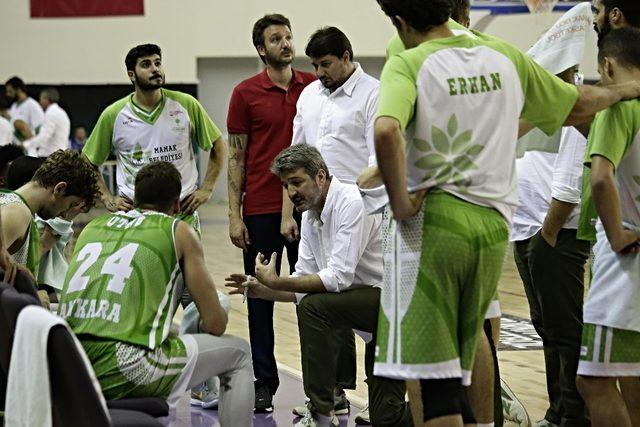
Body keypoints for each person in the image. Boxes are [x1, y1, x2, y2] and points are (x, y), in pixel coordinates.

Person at [371, 1, 640, 426]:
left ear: (399, 21)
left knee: (435, 381)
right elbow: (576, 103)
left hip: (435, 226)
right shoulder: (503, 54)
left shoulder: (407, 61)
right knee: (475, 337)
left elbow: (386, 129)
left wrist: (401, 201)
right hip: (493, 228)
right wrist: (623, 90)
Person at [226, 144, 412, 427]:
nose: (290, 193)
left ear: (321, 177)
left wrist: (277, 280)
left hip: (395, 307)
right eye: (286, 185)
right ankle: (465, 405)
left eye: (297, 182)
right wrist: (263, 289)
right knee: (389, 418)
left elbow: (338, 279)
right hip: (375, 323)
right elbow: (303, 280)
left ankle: (322, 412)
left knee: (314, 307)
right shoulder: (312, 216)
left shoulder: (351, 202)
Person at [58, 162, 254, 426]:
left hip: (70, 363)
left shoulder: (92, 227)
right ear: (177, 205)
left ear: (134, 198)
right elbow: (215, 324)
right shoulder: (179, 230)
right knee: (240, 353)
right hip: (127, 366)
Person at [226, 13, 316, 412]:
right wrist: (233, 214)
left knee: (311, 299)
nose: (285, 43)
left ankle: (323, 388)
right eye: (276, 38)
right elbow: (236, 157)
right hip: (261, 210)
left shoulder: (313, 87)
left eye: (288, 36)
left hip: (311, 211)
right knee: (260, 298)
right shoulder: (245, 93)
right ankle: (265, 383)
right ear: (262, 49)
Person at [290, 25, 379, 420]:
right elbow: (294, 155)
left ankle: (384, 401)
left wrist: (361, 199)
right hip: (317, 212)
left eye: (325, 63)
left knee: (348, 291)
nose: (319, 72)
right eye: (314, 65)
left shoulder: (373, 93)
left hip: (363, 211)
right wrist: (287, 213)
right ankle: (334, 395)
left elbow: (382, 158)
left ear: (346, 56)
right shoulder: (309, 95)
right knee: (320, 295)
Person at [510, 5, 593, 427]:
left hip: (554, 232)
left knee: (564, 330)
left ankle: (574, 414)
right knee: (546, 328)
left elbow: (569, 182)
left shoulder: (575, 105)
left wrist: (549, 232)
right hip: (526, 231)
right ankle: (559, 410)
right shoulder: (536, 107)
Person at [82, 43, 227, 235]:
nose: (155, 69)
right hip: (134, 215)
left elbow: (219, 145)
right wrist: (107, 198)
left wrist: (207, 189)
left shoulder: (186, 104)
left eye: (158, 63)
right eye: (146, 64)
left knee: (188, 266)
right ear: (131, 74)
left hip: (181, 213)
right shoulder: (113, 114)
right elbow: (87, 161)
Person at [575, 28, 640, 427]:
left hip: (626, 262)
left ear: (607, 66)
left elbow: (601, 178)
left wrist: (616, 234)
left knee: (592, 381)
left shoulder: (618, 106)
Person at [0, 149, 99, 307]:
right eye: (71, 204)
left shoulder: (11, 204)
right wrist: (28, 298)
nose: (65, 213)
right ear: (59, 189)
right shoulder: (17, 213)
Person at [22, 88, 70, 157]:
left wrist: (25, 145)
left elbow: (44, 137)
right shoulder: (61, 112)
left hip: (51, 157)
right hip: (59, 154)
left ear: (46, 99)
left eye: (40, 99)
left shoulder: (51, 113)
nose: (39, 102)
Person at [4, 76, 44, 143]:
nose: (8, 94)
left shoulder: (32, 105)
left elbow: (40, 131)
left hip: (28, 148)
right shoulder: (14, 106)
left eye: (10, 91)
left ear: (18, 90)